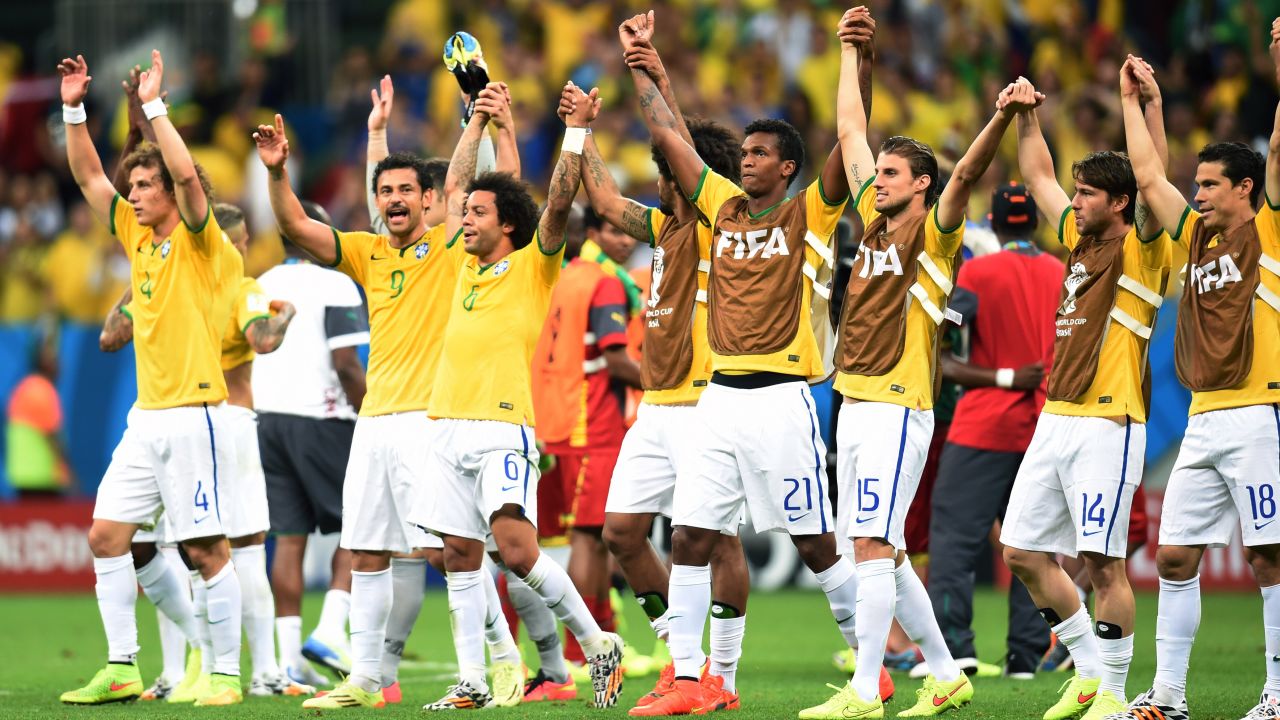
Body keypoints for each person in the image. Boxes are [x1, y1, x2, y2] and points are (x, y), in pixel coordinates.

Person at [620, 9, 889, 718]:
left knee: (814, 542)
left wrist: (855, 58)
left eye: (762, 152)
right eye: (744, 150)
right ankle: (687, 680)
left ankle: (873, 667)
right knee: (689, 535)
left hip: (781, 400)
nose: (747, 158)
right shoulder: (720, 209)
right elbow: (667, 136)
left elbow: (851, 140)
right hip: (718, 400)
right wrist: (641, 63)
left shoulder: (813, 214)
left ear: (789, 167)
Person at [252, 78, 522, 709]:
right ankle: (366, 677)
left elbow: (497, 193)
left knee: (444, 550)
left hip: (431, 420)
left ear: (430, 201)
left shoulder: (451, 250)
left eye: (406, 190)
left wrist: (485, 125)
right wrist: (277, 172)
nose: (394, 200)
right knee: (366, 549)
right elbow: (294, 223)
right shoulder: (368, 252)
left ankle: (500, 661)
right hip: (372, 421)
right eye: (384, 191)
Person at [816, 9, 1032, 716]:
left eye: (890, 174)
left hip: (898, 406)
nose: (875, 180)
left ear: (921, 184)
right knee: (881, 549)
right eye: (876, 173)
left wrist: (1000, 116)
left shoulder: (936, 237)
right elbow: (850, 129)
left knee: (872, 545)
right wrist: (852, 52)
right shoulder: (873, 223)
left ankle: (863, 690)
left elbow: (968, 169)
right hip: (855, 402)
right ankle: (945, 671)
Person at [414, 80, 625, 712]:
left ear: (506, 223)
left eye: (479, 214)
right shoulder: (461, 262)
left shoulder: (537, 262)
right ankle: (473, 681)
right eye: (466, 214)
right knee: (456, 555)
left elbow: (557, 201)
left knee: (518, 552)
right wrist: (476, 122)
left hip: (504, 425)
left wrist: (576, 133)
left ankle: (598, 645)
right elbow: (453, 190)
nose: (463, 219)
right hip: (445, 422)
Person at [567, 41, 755, 710]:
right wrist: (580, 132)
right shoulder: (665, 229)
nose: (659, 180)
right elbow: (604, 195)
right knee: (622, 533)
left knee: (709, 538)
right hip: (656, 405)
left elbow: (676, 136)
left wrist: (648, 69)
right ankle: (688, 657)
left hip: (707, 403)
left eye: (666, 173)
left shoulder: (719, 222)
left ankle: (715, 679)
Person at [57, 50, 245, 707]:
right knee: (107, 536)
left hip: (194, 412)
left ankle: (224, 673)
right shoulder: (136, 239)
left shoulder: (202, 240)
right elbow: (85, 175)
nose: (132, 196)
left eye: (143, 187)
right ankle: (122, 667)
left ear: (169, 193)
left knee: (204, 548)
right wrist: (74, 106)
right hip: (148, 417)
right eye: (131, 188)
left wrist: (156, 106)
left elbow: (191, 176)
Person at [1113, 30, 1280, 719]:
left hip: (1260, 411)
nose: (1199, 194)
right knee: (1175, 555)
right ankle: (1170, 698)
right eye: (1198, 184)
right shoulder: (1194, 236)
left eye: (1212, 184)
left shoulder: (1267, 228)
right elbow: (1149, 177)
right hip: (1205, 414)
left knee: (1270, 557)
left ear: (1247, 187)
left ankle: (1276, 695)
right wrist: (1136, 100)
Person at [998, 69, 1173, 720]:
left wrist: (1140, 104)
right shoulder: (1078, 242)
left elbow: (1154, 178)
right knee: (1020, 550)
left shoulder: (1142, 252)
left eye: (1089, 195)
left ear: (1121, 203)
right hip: (1058, 417)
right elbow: (1040, 176)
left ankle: (1114, 696)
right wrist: (1026, 116)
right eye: (1076, 194)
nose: (1073, 203)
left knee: (1103, 565)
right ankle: (1089, 669)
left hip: (1110, 422)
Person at [102, 201, 307, 700]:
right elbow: (262, 339)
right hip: (226, 425)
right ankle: (264, 671)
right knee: (245, 549)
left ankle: (176, 672)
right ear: (235, 245)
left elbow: (111, 335)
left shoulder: (170, 285)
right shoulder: (242, 287)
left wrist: (134, 276)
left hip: (167, 418)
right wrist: (286, 316)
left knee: (182, 551)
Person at [925, 183, 1063, 681]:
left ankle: (956, 651)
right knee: (1033, 545)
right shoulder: (1062, 272)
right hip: (1044, 426)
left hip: (982, 425)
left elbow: (944, 345)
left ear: (994, 223)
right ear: (1038, 226)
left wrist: (1000, 374)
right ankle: (1025, 658)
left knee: (954, 538)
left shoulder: (977, 272)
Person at [255, 199, 367, 691]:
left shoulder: (261, 283)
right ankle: (329, 631)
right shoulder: (336, 282)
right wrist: (368, 413)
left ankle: (288, 663)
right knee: (361, 524)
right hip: (323, 420)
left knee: (289, 537)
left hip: (268, 419)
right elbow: (345, 363)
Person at [531, 205, 642, 672]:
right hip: (590, 420)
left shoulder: (564, 275)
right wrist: (665, 385)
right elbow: (615, 359)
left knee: (587, 538)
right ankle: (583, 650)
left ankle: (597, 640)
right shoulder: (606, 281)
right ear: (592, 232)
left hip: (556, 415)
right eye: (614, 229)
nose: (626, 239)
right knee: (587, 538)